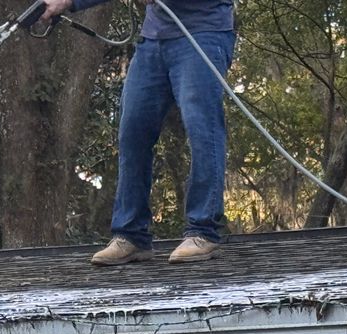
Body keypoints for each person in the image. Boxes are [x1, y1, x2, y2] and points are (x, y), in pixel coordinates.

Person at [40, 0, 236, 264]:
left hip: (203, 35)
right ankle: (131, 236)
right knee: (132, 132)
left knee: (203, 130)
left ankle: (203, 232)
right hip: (153, 41)